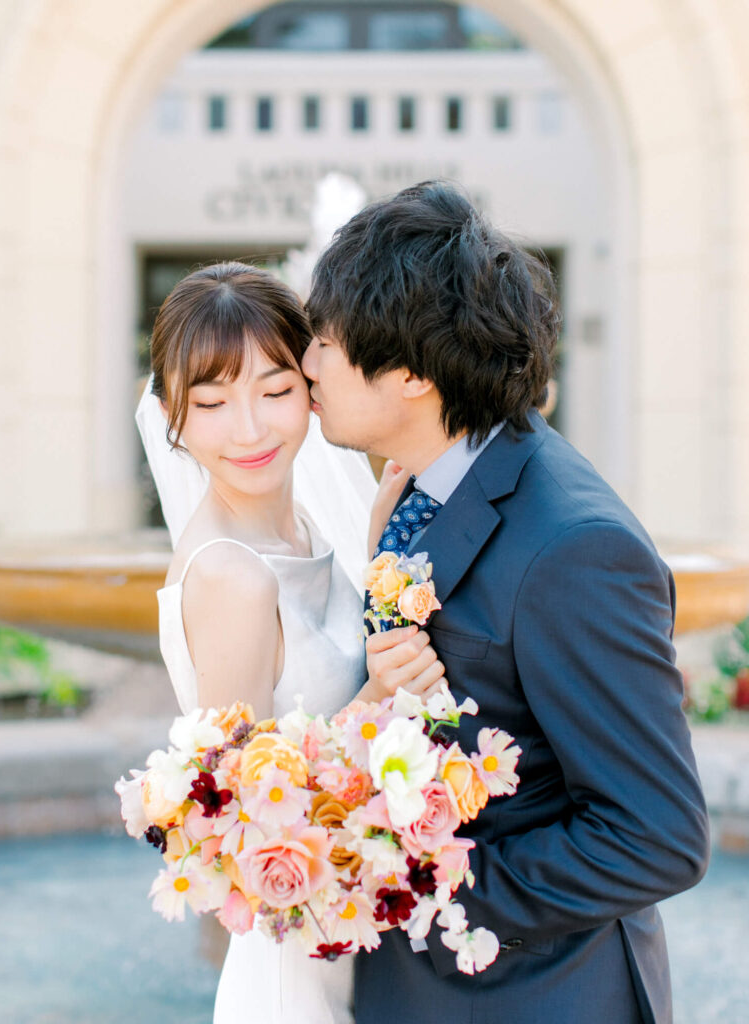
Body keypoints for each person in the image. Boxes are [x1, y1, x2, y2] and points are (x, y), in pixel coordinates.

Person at [302, 180, 710, 1024]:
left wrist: (425, 883)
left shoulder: (576, 549)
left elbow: (657, 835)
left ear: (411, 374)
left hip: (532, 994)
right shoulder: (421, 484)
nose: (306, 364)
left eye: (326, 341)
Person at [136, 261, 445, 1024]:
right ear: (172, 414)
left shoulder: (308, 524)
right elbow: (246, 815)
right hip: (293, 963)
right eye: (210, 403)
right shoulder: (232, 579)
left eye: (274, 392)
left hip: (353, 928)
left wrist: (377, 550)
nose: (247, 431)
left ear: (312, 387)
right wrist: (379, 696)